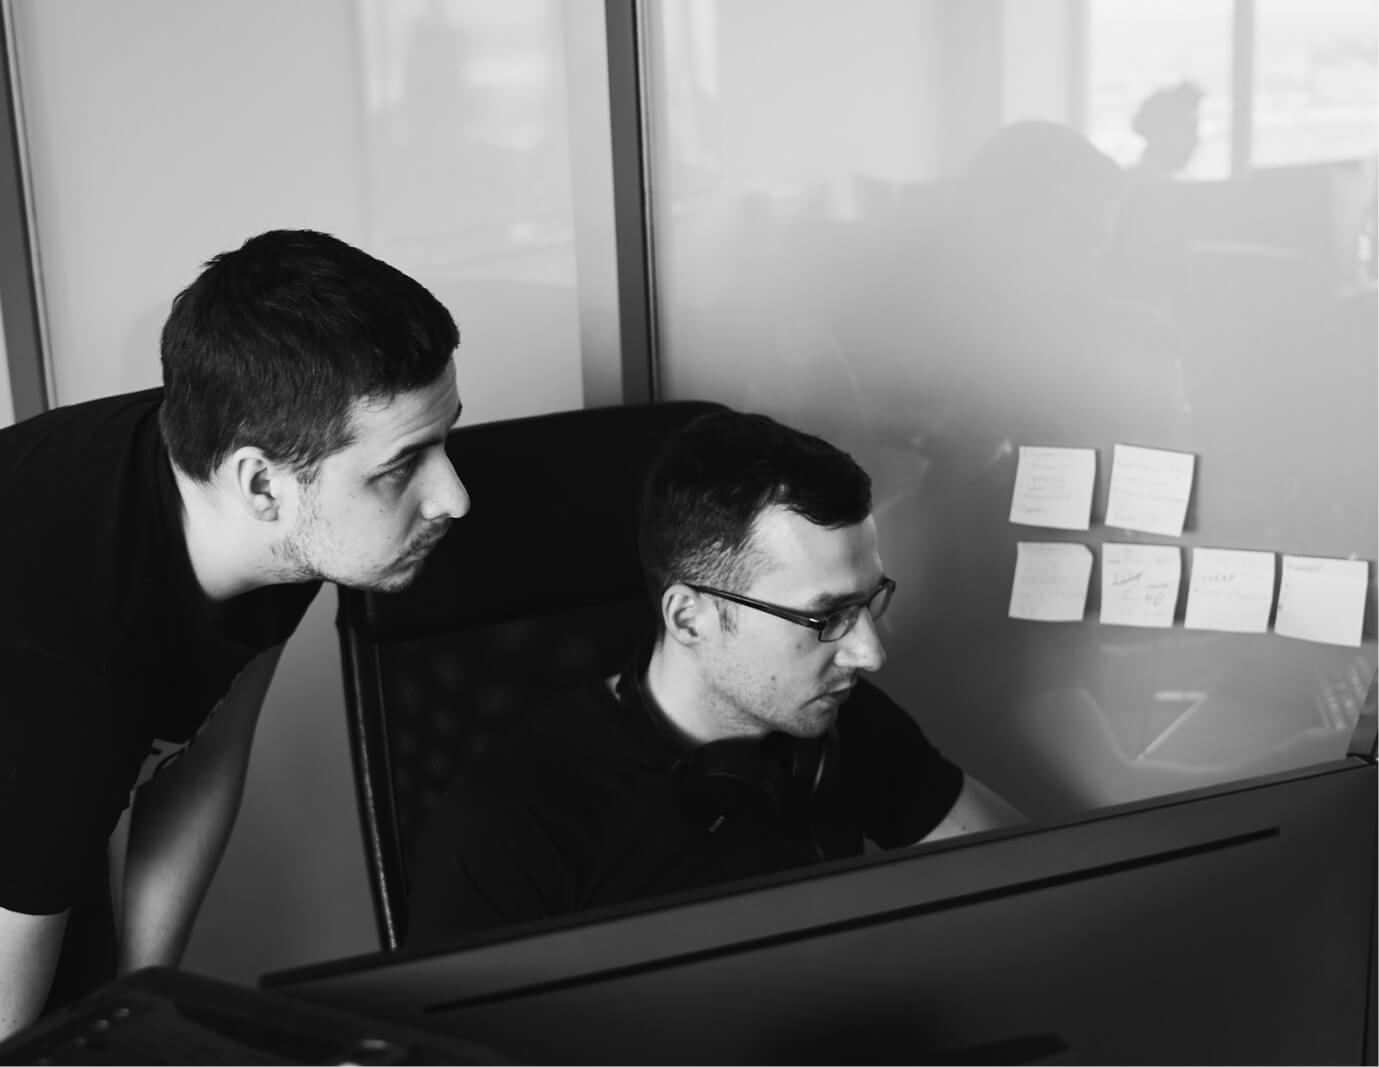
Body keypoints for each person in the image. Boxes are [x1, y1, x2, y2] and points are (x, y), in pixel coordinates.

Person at [0, 229, 470, 1037]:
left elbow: (204, 749)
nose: (454, 497)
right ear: (261, 484)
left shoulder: (264, 511)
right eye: (403, 464)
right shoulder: (71, 666)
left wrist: (142, 998)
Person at [405, 410, 1021, 946]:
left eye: (869, 601)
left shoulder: (836, 714)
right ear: (689, 618)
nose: (867, 652)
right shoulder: (508, 829)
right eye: (827, 616)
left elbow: (1030, 880)